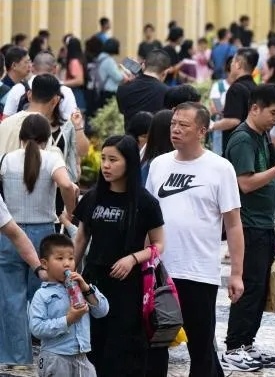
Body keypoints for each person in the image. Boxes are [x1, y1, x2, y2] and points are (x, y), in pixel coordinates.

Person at [145, 102, 245, 377]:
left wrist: (237, 273)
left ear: (202, 131)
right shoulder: (159, 165)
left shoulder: (220, 168)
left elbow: (234, 225)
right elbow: (148, 220)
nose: (175, 129)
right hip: (161, 272)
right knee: (154, 344)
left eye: (183, 125)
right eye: (173, 124)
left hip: (199, 272)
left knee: (200, 347)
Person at [223, 84, 275, 371]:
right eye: (272, 112)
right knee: (248, 287)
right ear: (254, 108)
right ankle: (234, 346)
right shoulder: (243, 139)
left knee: (258, 287)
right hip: (248, 225)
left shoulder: (261, 135)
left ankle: (247, 343)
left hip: (263, 224)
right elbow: (245, 184)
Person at [73, 135, 165, 377]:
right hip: (93, 281)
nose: (106, 165)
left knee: (122, 346)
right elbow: (82, 237)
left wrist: (133, 258)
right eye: (103, 159)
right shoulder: (93, 197)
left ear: (130, 163)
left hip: (128, 285)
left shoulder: (145, 202)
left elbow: (159, 245)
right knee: (92, 342)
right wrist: (70, 272)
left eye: (113, 160)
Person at [0, 112, 79, 368]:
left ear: (21, 136)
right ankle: (50, 354)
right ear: (47, 137)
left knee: (11, 298)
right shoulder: (52, 159)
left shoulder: (7, 160)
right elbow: (69, 186)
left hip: (9, 234)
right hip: (45, 235)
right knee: (48, 296)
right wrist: (70, 211)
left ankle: (16, 358)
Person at [29, 233, 110, 377]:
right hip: (55, 357)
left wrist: (86, 289)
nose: (67, 263)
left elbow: (102, 311)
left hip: (82, 357)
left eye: (71, 258)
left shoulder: (81, 288)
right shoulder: (42, 295)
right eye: (60, 258)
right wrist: (68, 320)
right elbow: (37, 328)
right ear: (45, 263)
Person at [116, 50, 171, 127]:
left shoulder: (123, 88)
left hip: (130, 137)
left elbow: (122, 111)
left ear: (143, 66)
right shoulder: (168, 93)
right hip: (156, 137)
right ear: (166, 72)